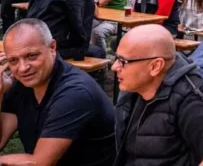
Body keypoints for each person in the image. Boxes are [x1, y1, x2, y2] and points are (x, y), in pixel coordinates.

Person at [0, 19, 116, 165]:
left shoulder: (74, 92)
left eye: (31, 56)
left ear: (52, 47)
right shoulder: (24, 84)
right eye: (13, 60)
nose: (22, 68)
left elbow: (39, 163)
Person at [112, 24, 203, 165]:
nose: (114, 67)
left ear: (155, 66)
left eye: (123, 61)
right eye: (116, 58)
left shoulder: (192, 102)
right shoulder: (131, 89)